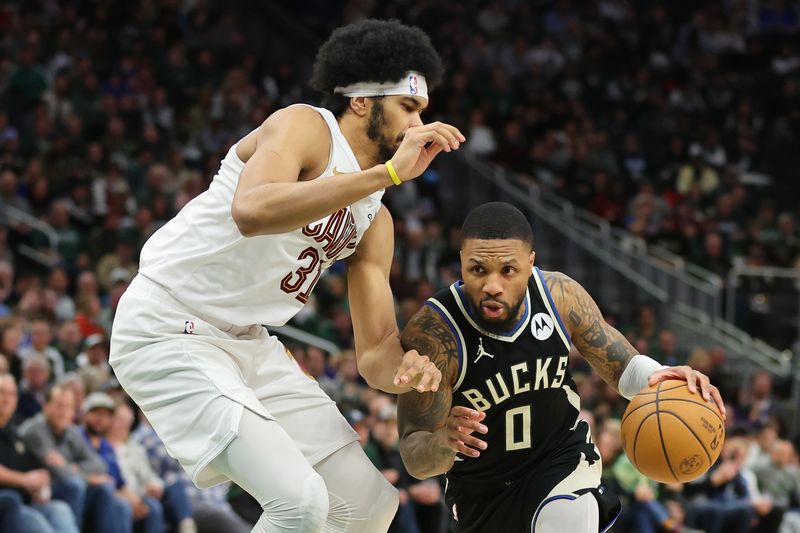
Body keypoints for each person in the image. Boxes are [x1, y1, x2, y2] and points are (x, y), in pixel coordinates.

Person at [109, 18, 464, 533]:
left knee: (369, 508)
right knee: (298, 503)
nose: (419, 125)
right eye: (408, 107)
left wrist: (413, 369)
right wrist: (386, 174)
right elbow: (251, 210)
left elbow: (374, 356)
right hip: (168, 323)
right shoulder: (304, 126)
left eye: (423, 112)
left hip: (249, 343)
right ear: (362, 101)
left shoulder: (376, 217)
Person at [397, 202, 726, 533]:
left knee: (567, 518)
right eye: (477, 269)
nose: (492, 285)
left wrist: (665, 376)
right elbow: (414, 454)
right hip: (482, 493)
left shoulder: (559, 295)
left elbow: (622, 365)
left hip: (559, 461)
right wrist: (444, 441)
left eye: (508, 270)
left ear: (530, 263)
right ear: (461, 263)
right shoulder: (434, 332)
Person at [0, 374, 79, 533]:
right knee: (26, 514)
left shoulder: (15, 433)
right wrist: (23, 480)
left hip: (26, 500)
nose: (7, 398)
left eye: (12, 393)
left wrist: (40, 481)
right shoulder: (32, 429)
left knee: (60, 509)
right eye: (2, 392)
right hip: (9, 502)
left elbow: (36, 468)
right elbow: (24, 478)